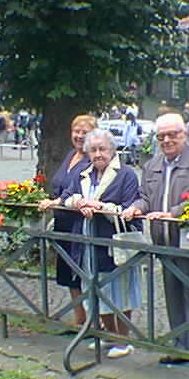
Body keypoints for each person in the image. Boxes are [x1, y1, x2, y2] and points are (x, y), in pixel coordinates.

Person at [122, 113, 189, 370]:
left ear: (184, 135)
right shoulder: (152, 165)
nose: (166, 140)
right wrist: (136, 207)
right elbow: (145, 197)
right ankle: (181, 348)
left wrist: (173, 213)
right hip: (163, 240)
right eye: (161, 136)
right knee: (174, 297)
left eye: (172, 135)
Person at [64, 128, 141, 359]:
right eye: (93, 149)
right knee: (95, 289)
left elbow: (129, 207)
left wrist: (100, 207)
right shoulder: (83, 173)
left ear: (112, 150)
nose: (98, 154)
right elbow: (66, 195)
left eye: (103, 149)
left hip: (114, 244)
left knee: (120, 292)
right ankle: (110, 335)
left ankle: (124, 340)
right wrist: (79, 202)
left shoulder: (126, 175)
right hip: (87, 243)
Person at [38, 115, 97, 326]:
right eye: (76, 131)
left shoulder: (93, 159)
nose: (79, 136)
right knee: (67, 273)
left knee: (81, 271)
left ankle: (93, 321)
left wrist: (57, 202)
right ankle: (79, 319)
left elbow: (80, 189)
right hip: (62, 222)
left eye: (84, 132)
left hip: (80, 223)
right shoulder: (71, 155)